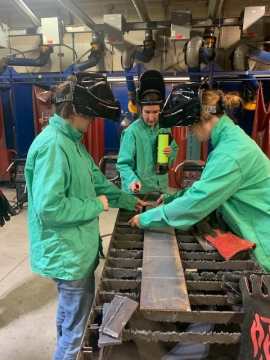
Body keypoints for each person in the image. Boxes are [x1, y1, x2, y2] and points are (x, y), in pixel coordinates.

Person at [25, 73, 146, 360]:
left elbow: (98, 182)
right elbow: (50, 208)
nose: (92, 123)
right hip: (67, 255)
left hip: (77, 250)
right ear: (75, 111)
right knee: (77, 333)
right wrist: (96, 205)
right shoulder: (53, 146)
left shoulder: (72, 141)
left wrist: (129, 201)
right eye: (90, 116)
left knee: (70, 319)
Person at [129, 87, 270, 272]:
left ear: (202, 120)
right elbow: (208, 187)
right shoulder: (229, 142)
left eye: (189, 126)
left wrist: (146, 219)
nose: (190, 133)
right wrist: (174, 198)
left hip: (264, 241)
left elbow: (197, 202)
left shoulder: (230, 155)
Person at [117, 70, 178, 195]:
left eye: (155, 112)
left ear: (160, 110)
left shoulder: (164, 128)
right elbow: (123, 164)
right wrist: (132, 181)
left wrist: (171, 153)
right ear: (141, 110)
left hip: (160, 190)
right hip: (138, 193)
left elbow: (174, 150)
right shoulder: (132, 132)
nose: (151, 118)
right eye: (147, 112)